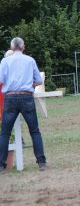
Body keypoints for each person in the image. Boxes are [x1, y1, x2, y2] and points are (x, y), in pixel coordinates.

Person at [0, 37, 47, 173]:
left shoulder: (5, 61)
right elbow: (38, 81)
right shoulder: (30, 60)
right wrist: (27, 84)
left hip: (10, 97)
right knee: (34, 131)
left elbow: (1, 80)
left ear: (11, 47)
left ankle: (1, 166)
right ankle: (41, 163)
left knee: (5, 133)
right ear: (23, 47)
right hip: (26, 97)